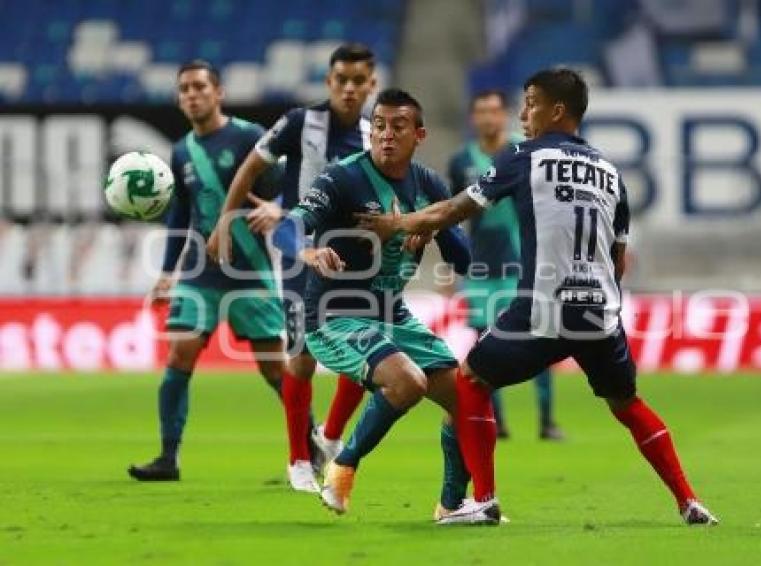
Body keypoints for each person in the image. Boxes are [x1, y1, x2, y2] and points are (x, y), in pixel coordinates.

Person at [356, 68, 719, 526]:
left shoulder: (525, 156)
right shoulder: (610, 173)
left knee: (469, 381)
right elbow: (618, 259)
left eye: (530, 102)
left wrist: (399, 225)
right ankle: (688, 500)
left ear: (557, 110)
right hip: (600, 312)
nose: (523, 113)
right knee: (627, 405)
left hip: (544, 305)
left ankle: (483, 500)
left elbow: (453, 210)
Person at [272, 88, 473, 516]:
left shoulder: (429, 185)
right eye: (378, 126)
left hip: (390, 314)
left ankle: (452, 505)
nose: (385, 135)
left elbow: (465, 260)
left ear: (419, 134)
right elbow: (286, 228)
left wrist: (434, 228)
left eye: (397, 127)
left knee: (466, 399)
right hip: (334, 316)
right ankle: (342, 467)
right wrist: (308, 252)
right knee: (408, 382)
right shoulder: (342, 177)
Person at [207, 44, 377, 492]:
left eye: (358, 80)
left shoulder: (372, 134)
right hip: (299, 252)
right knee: (301, 358)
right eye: (341, 79)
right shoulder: (300, 123)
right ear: (329, 81)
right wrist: (226, 222)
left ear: (371, 85)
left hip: (352, 258)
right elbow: (248, 170)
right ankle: (299, 460)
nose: (349, 88)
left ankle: (330, 435)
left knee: (366, 353)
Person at [128, 60, 286, 481]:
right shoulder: (181, 152)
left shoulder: (249, 136)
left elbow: (291, 183)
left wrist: (278, 207)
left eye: (200, 86)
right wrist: (166, 272)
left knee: (274, 369)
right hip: (200, 272)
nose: (192, 94)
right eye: (184, 89)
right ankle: (168, 457)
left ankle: (309, 447)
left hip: (251, 272)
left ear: (218, 92)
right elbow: (179, 215)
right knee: (179, 353)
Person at [448, 89, 563, 441]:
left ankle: (546, 420)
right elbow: (454, 215)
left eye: (494, 110)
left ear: (504, 115)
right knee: (484, 345)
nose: (487, 117)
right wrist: (455, 264)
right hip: (480, 269)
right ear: (473, 117)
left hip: (521, 266)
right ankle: (496, 424)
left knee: (538, 340)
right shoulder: (460, 162)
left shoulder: (524, 152)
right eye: (481, 110)